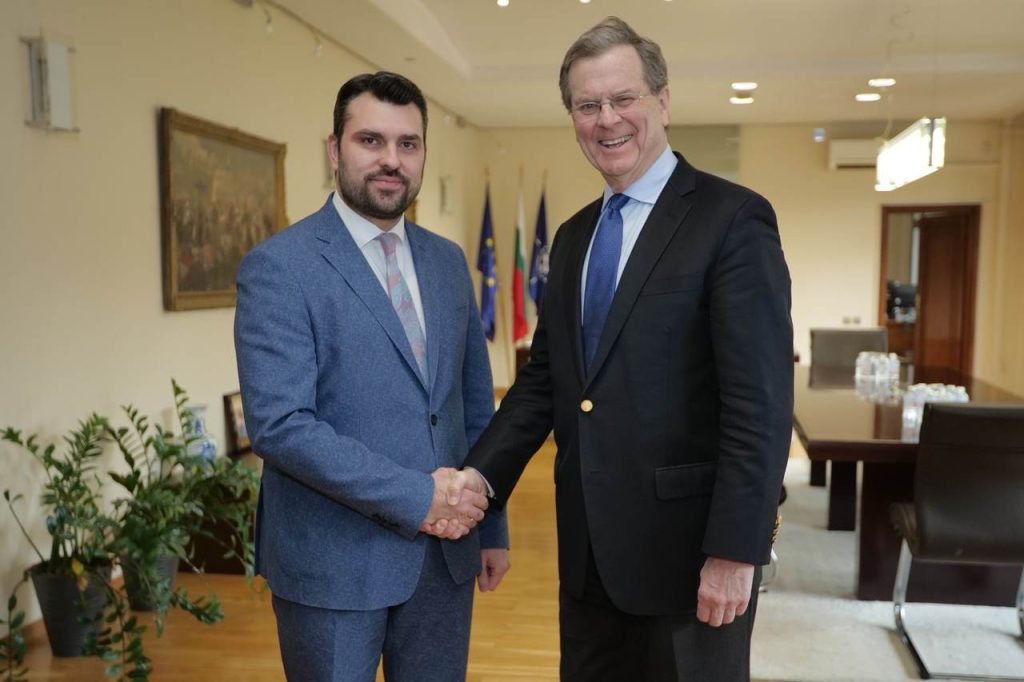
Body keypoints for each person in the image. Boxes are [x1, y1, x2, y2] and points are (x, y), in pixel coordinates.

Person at [446, 16, 792, 682]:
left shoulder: (731, 219)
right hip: (587, 559)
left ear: (662, 102)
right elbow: (546, 381)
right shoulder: (574, 237)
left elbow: (761, 403)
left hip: (690, 562)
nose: (607, 120)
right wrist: (479, 479)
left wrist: (735, 550)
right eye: (587, 105)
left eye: (623, 98)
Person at [234, 71, 510, 682]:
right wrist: (418, 497)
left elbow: (472, 407)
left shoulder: (447, 262)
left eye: (408, 144)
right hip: (332, 563)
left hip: (445, 558)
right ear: (335, 149)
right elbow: (281, 426)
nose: (391, 160)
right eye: (371, 140)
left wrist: (491, 524)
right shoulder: (279, 267)